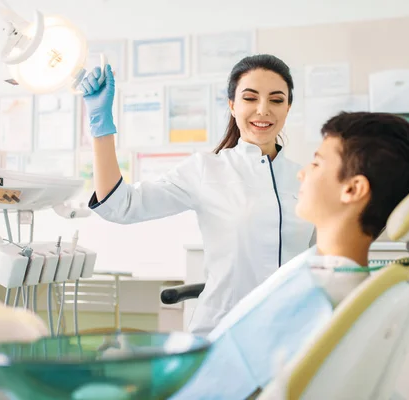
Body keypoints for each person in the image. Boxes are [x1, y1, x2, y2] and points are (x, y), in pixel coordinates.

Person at [170, 111, 409, 399]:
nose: (302, 173)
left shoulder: (316, 295)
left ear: (353, 189)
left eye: (317, 162)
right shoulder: (335, 279)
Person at [79, 54, 315, 335]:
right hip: (224, 331)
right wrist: (100, 124)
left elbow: (322, 262)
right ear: (232, 105)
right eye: (250, 98)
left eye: (276, 100)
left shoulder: (308, 179)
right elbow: (121, 205)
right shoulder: (206, 169)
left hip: (292, 330)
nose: (263, 110)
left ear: (288, 107)